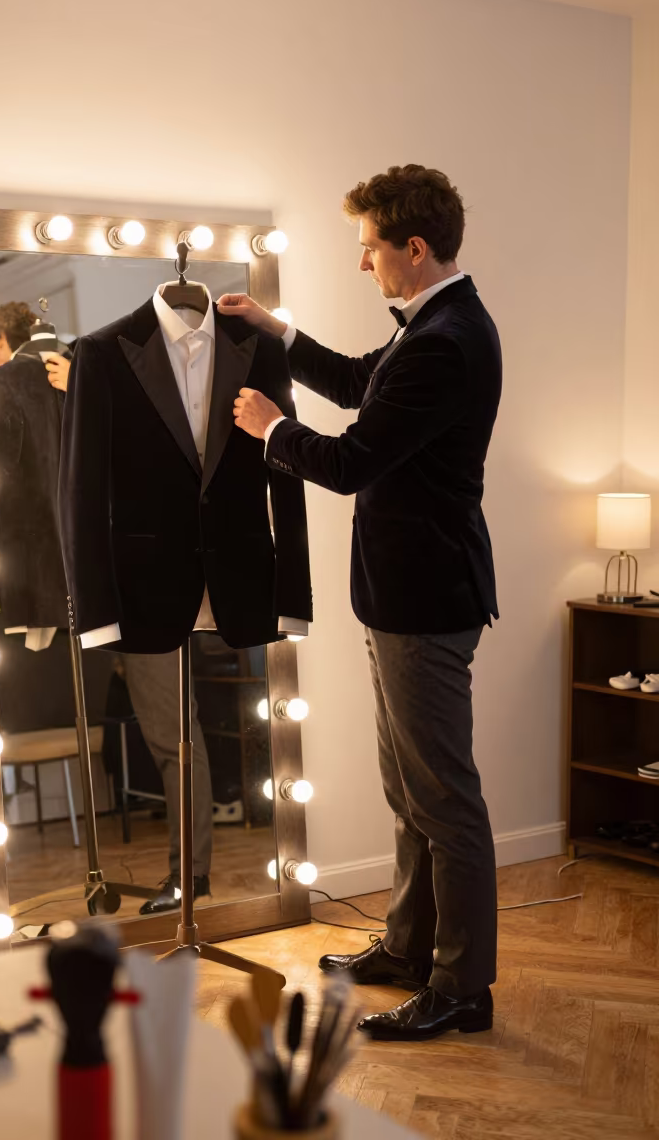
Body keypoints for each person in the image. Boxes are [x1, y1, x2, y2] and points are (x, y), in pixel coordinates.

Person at [220, 165, 502, 1042]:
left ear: (412, 250)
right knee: (407, 790)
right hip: (398, 597)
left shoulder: (446, 341)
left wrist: (272, 429)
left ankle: (462, 988)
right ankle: (410, 950)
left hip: (425, 599)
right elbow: (351, 383)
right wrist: (277, 328)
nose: (362, 264)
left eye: (368, 249)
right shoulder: (428, 327)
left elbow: (349, 462)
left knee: (444, 800)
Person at [0, 303, 214, 914]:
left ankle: (191, 876)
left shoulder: (110, 371)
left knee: (171, 733)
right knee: (167, 732)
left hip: (134, 587)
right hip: (77, 591)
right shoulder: (59, 375)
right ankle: (184, 873)